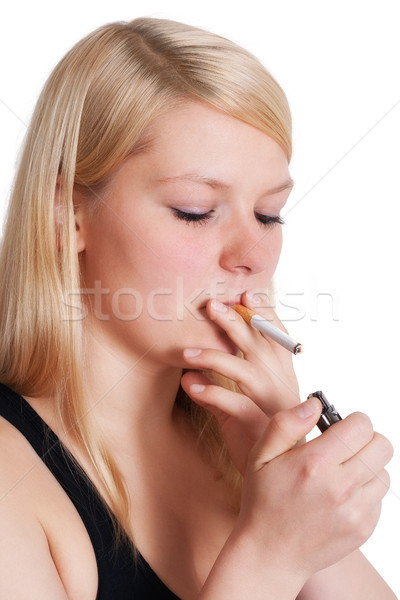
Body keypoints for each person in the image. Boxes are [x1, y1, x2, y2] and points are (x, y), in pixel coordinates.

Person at [0, 16, 396, 600]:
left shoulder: (239, 454)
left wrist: (288, 462)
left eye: (268, 215)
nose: (252, 256)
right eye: (195, 210)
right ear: (69, 216)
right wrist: (269, 557)